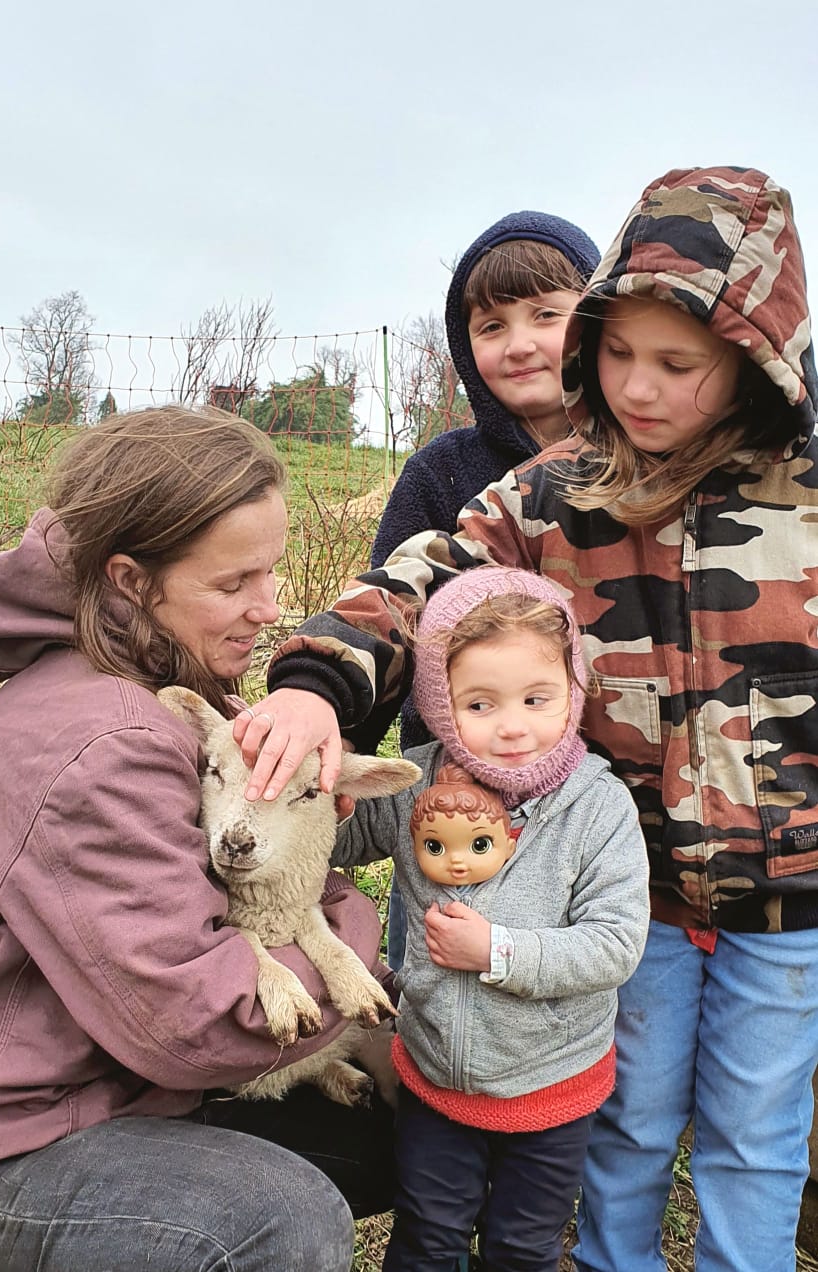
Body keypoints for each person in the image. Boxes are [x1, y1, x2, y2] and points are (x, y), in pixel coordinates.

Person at [236, 165, 818, 1271]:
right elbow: (418, 582)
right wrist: (320, 682)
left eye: (677, 363)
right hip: (620, 884)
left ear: (753, 359)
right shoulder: (555, 491)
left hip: (789, 898)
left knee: (756, 1132)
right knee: (628, 1122)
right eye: (617, 352)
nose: (637, 387)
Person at [0, 406, 396, 1272]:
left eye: (270, 574)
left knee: (402, 1091)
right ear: (131, 580)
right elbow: (211, 1026)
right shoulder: (108, 739)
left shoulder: (158, 678)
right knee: (275, 1222)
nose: (269, 609)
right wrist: (335, 920)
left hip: (110, 1087)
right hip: (0, 1151)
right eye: (234, 585)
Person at [332, 567, 649, 1271]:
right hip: (437, 1077)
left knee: (522, 1246)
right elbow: (339, 840)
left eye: (538, 698)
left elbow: (615, 944)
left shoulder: (596, 808)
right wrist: (318, 790)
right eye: (480, 704)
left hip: (552, 1085)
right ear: (442, 707)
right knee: (428, 1235)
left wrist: (498, 951)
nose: (512, 727)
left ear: (573, 689)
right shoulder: (417, 783)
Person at [367, 210, 600, 972]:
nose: (520, 343)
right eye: (491, 325)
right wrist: (344, 744)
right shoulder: (442, 473)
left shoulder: (641, 463)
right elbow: (395, 623)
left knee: (574, 960)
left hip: (595, 786)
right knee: (438, 967)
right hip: (460, 795)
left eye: (546, 315)